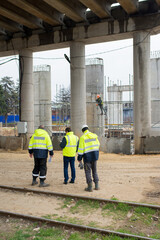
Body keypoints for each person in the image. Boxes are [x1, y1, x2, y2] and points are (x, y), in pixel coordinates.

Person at [78, 125, 100, 192]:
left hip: (87, 157)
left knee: (88, 171)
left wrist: (79, 158)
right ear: (88, 129)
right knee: (94, 171)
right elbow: (98, 145)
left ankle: (90, 187)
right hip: (95, 156)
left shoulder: (82, 138)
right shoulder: (94, 135)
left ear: (82, 131)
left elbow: (81, 149)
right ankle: (97, 186)